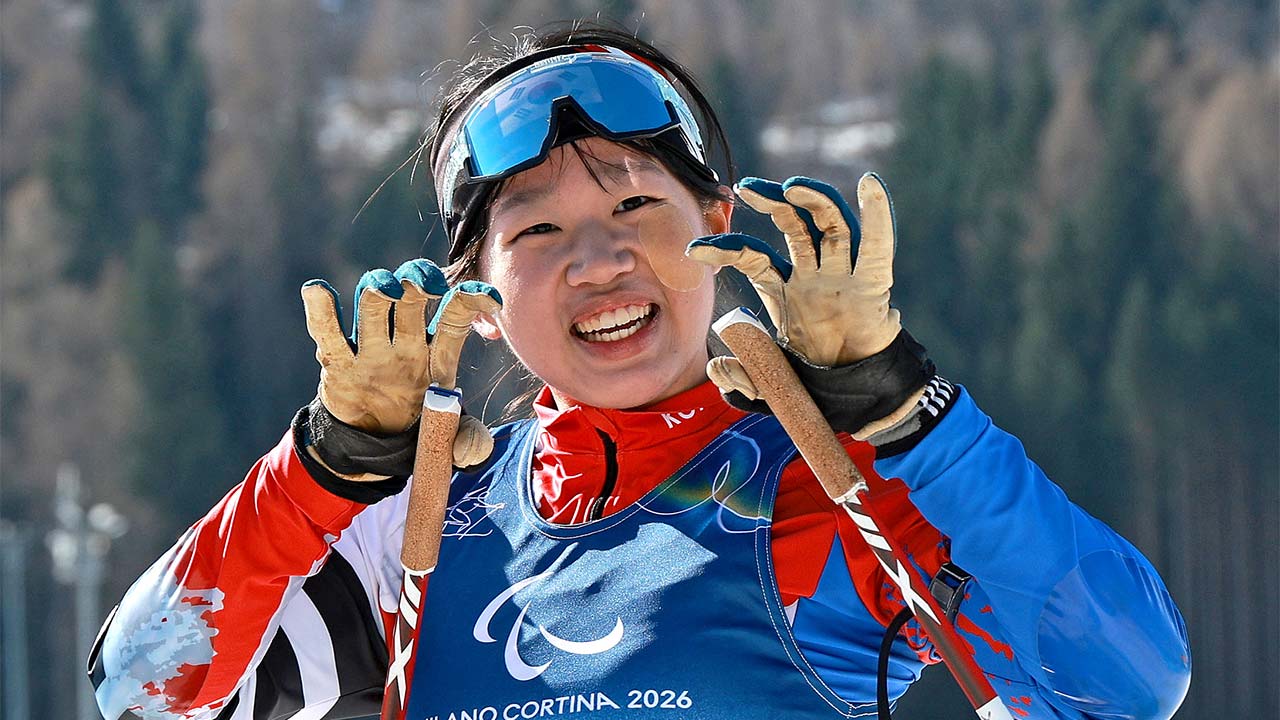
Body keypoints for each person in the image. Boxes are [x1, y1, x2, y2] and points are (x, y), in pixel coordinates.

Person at [88, 23, 1191, 720]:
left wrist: (904, 407)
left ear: (714, 224)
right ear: (475, 290)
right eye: (535, 234)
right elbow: (141, 695)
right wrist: (323, 468)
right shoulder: (424, 531)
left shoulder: (839, 487)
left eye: (633, 207)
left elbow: (1125, 684)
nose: (599, 261)